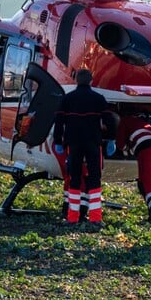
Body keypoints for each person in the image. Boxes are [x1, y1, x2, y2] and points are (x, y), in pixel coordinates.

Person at [53, 68, 115, 228]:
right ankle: (95, 218)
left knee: (74, 178)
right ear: (91, 81)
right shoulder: (98, 99)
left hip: (73, 143)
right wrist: (111, 139)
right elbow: (110, 121)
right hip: (93, 143)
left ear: (76, 81)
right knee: (95, 177)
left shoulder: (67, 99)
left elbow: (59, 122)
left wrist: (58, 141)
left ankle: (72, 217)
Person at [116, 106, 151, 226]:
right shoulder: (143, 122)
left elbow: (120, 144)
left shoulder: (125, 121)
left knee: (146, 183)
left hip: (146, 150)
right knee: (145, 181)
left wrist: (125, 151)